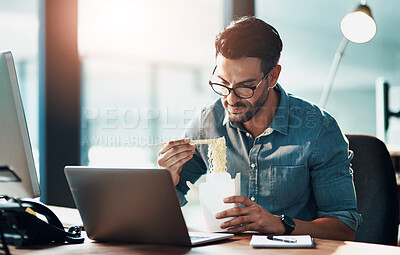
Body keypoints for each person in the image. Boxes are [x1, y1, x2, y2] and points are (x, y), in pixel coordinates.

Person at [157, 16, 362, 240]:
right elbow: (161, 209)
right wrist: (166, 181)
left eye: (245, 87)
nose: (230, 99)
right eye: (223, 83)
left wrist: (279, 224)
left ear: (273, 76)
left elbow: (344, 227)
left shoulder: (319, 131)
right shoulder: (207, 123)